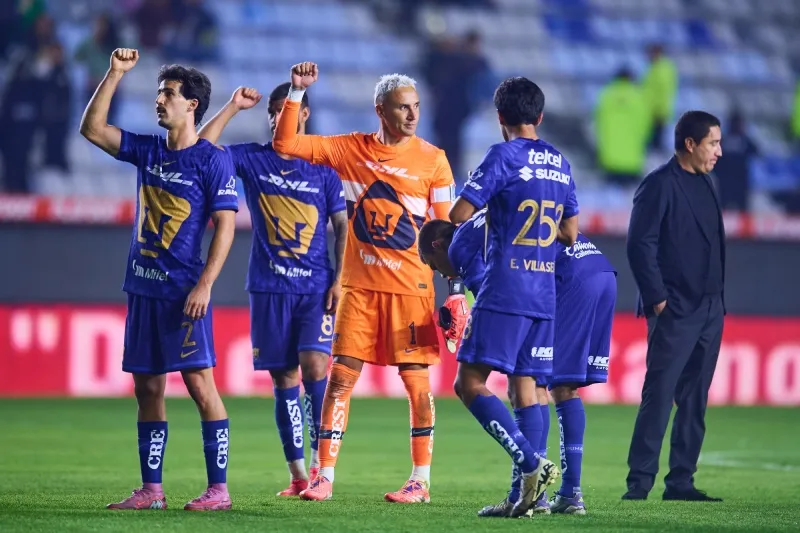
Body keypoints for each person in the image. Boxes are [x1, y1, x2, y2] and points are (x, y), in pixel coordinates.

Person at [272, 62, 456, 503]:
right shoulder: (349, 149)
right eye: (402, 108)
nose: (412, 116)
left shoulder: (435, 161)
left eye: (415, 107)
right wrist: (297, 92)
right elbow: (286, 141)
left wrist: (455, 293)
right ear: (381, 110)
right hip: (360, 290)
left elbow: (447, 237)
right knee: (340, 380)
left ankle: (421, 481)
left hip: (411, 290)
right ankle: (324, 476)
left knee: (417, 384)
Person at [79, 48, 238, 511]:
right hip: (143, 290)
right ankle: (152, 490)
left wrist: (205, 284)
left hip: (184, 295)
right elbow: (91, 129)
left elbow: (226, 226)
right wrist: (114, 73)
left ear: (192, 105)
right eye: (159, 93)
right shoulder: (147, 149)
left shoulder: (212, 161)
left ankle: (219, 490)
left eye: (168, 93)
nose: (160, 100)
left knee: (200, 386)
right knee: (147, 388)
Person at [198, 82, 348, 496]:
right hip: (268, 288)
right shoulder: (252, 158)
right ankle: (298, 474)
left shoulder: (324, 167)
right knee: (284, 378)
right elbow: (200, 151)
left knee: (316, 367)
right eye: (274, 109)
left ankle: (323, 471)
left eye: (287, 109)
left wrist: (340, 279)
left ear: (304, 115)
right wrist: (230, 107)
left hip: (316, 286)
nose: (277, 116)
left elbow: (342, 227)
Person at [419, 214, 616, 516]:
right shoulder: (481, 222)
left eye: (433, 264)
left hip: (565, 277)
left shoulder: (462, 244)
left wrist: (466, 321)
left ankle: (536, 492)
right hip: (599, 268)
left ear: (437, 246)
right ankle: (564, 494)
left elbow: (490, 296)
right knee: (555, 385)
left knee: (526, 382)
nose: (441, 273)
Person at [447, 76, 579, 517]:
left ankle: (530, 463)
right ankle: (528, 500)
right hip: (544, 293)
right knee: (527, 388)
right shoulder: (561, 162)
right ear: (539, 117)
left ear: (500, 118)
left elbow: (459, 213)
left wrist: (498, 202)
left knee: (468, 383)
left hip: (505, 287)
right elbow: (570, 232)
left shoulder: (502, 155)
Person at [624, 110, 725, 502]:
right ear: (690, 144)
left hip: (711, 309)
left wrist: (718, 303)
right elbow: (639, 244)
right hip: (676, 309)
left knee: (695, 400)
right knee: (660, 396)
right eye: (713, 143)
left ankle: (681, 482)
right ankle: (639, 484)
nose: (718, 151)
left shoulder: (708, 183)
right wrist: (659, 300)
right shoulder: (659, 185)